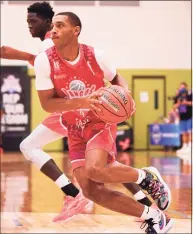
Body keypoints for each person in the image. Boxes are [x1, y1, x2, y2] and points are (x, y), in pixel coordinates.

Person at [0, 1, 162, 221]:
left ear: (49, 23)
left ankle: (73, 194)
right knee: (103, 165)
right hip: (74, 108)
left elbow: (33, 63)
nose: (29, 25)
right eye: (27, 21)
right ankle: (143, 198)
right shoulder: (46, 48)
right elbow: (25, 57)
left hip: (78, 109)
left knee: (29, 145)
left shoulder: (52, 45)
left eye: (33, 21)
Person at [34, 11, 173, 233]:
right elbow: (48, 104)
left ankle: (146, 177)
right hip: (74, 127)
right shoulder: (44, 61)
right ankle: (154, 215)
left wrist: (125, 95)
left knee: (96, 169)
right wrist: (83, 101)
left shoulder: (96, 56)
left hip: (100, 121)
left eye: (60, 25)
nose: (53, 30)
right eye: (52, 26)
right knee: (90, 190)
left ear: (76, 30)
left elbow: (117, 79)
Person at [174, 82, 192, 157]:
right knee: (184, 132)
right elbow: (174, 106)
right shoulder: (178, 97)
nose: (182, 88)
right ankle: (185, 146)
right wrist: (179, 103)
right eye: (180, 87)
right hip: (182, 117)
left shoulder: (189, 95)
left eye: (183, 87)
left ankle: (190, 146)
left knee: (190, 131)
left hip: (189, 116)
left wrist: (186, 102)